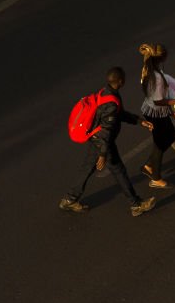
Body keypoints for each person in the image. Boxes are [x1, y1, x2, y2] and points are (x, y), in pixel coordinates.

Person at [60, 67, 157, 217]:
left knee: (88, 168)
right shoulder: (111, 102)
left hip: (96, 138)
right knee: (119, 171)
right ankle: (136, 204)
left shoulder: (105, 92)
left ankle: (69, 199)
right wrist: (103, 154)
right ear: (120, 81)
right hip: (103, 142)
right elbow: (106, 130)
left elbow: (118, 115)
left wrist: (138, 121)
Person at [139, 43, 175, 189]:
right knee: (159, 143)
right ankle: (156, 178)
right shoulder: (156, 77)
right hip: (155, 112)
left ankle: (149, 165)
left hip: (155, 110)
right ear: (162, 57)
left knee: (170, 136)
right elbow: (159, 101)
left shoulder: (150, 68)